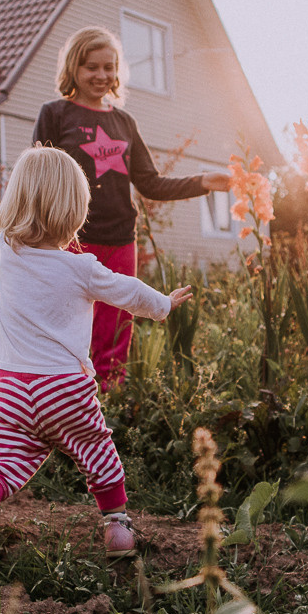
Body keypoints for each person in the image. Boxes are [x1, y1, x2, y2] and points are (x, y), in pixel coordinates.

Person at [0, 146, 192, 586]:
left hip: (10, 390)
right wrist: (164, 304)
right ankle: (117, 528)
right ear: (75, 210)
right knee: (96, 450)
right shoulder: (81, 268)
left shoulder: (7, 248)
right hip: (64, 390)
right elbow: (127, 291)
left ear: (16, 201)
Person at [33, 26, 229, 382]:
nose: (102, 75)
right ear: (73, 69)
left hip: (121, 240)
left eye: (109, 68)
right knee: (69, 328)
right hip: (71, 242)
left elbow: (151, 183)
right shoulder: (56, 114)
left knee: (116, 329)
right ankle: (66, 398)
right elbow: (39, 177)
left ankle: (112, 400)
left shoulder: (124, 121)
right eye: (92, 67)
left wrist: (203, 182)